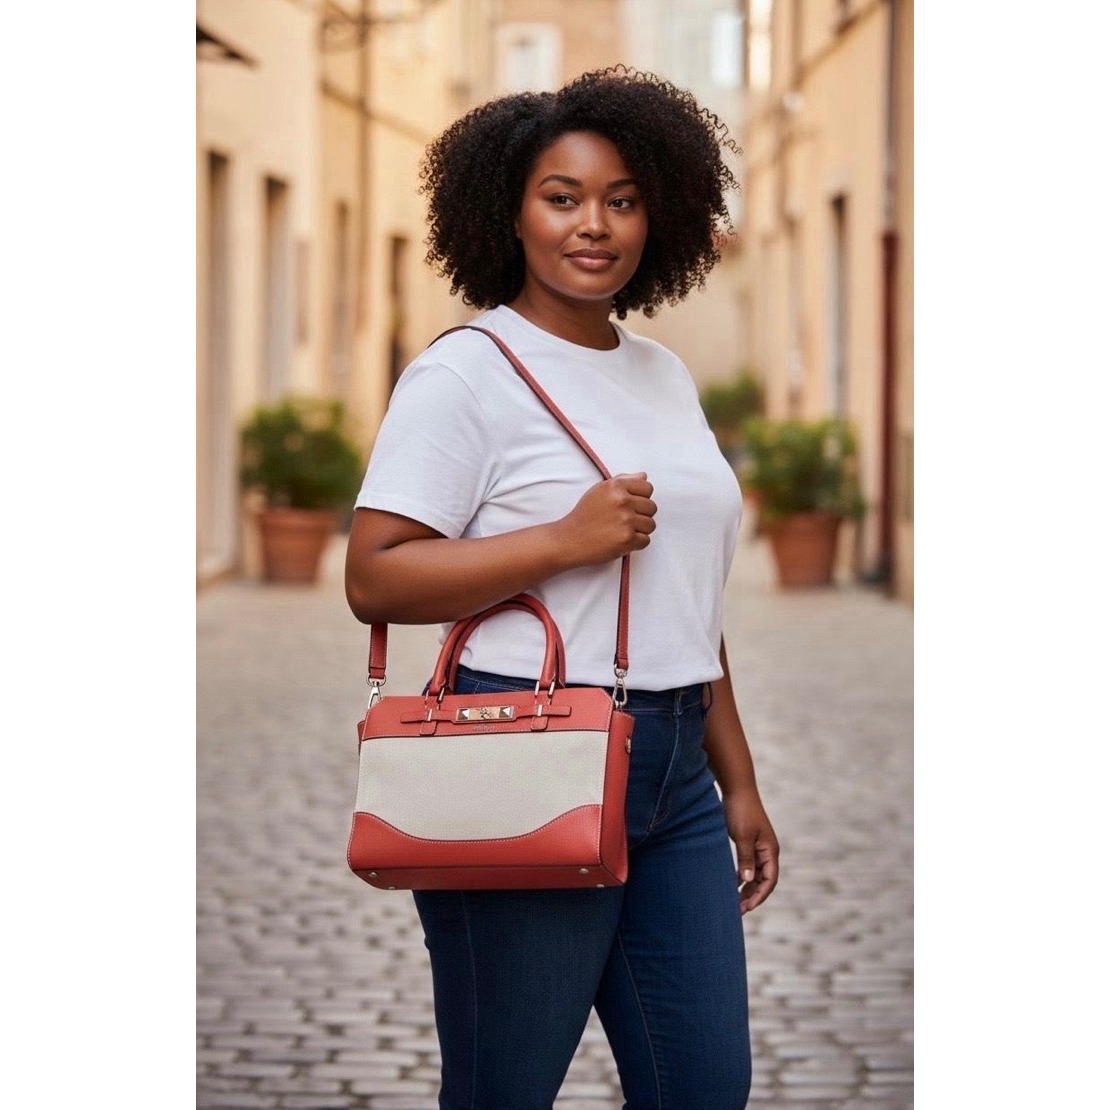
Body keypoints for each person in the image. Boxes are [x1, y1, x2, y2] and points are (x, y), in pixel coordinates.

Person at [345, 66, 780, 1110]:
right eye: (563, 196)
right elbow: (374, 574)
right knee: (507, 1088)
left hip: (673, 776)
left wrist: (739, 781)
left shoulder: (663, 374)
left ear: (657, 214)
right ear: (512, 211)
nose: (596, 224)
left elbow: (686, 598)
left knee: (704, 1087)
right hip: (526, 754)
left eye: (622, 199)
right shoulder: (466, 374)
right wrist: (562, 540)